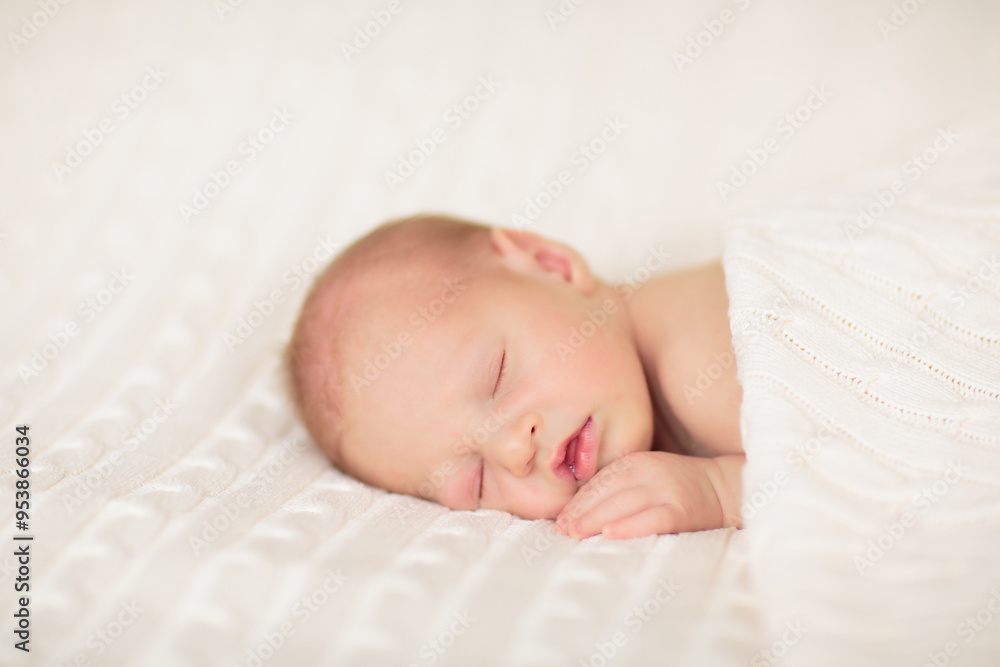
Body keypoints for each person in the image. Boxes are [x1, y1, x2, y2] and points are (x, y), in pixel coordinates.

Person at [286, 214, 744, 539]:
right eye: (476, 481)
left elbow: (815, 468)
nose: (512, 449)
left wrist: (721, 490)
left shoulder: (702, 357)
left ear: (551, 265)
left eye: (497, 376)